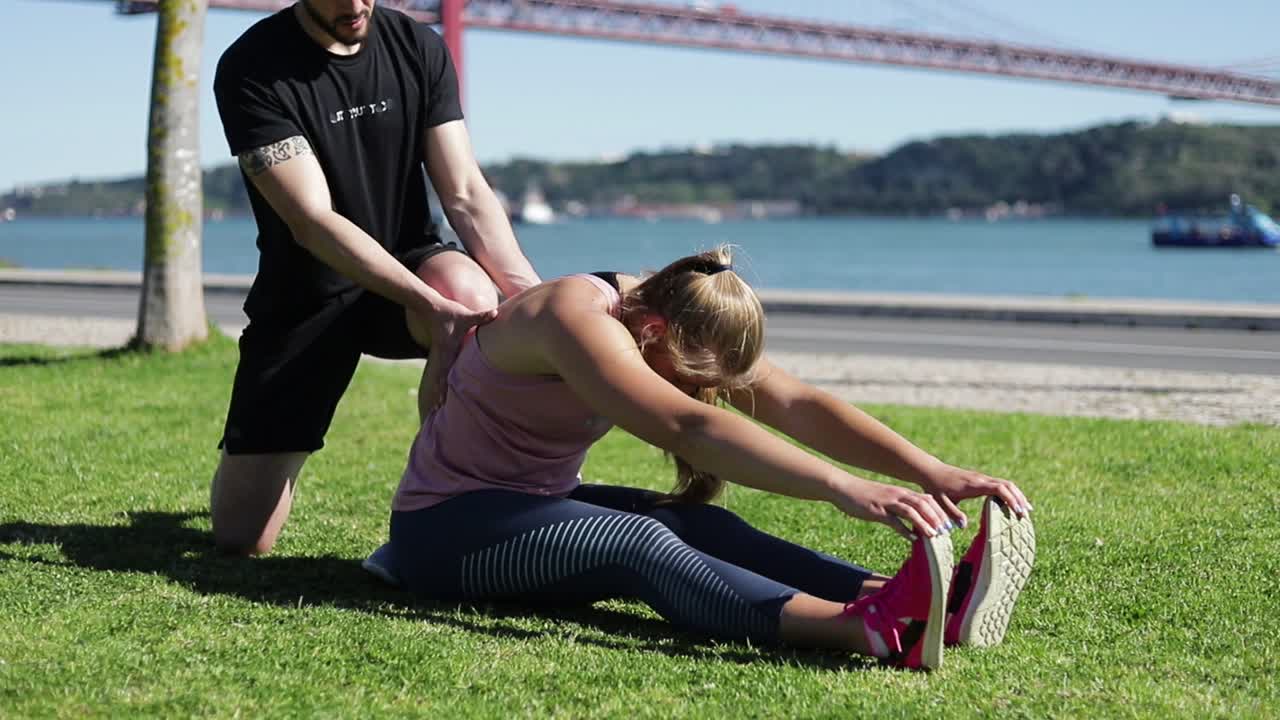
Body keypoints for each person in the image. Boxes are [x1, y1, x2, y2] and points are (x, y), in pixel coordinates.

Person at [374, 247, 1036, 670]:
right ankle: (866, 626)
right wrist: (841, 487)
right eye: (690, 374)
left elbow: (797, 403)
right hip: (444, 536)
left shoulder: (670, 312)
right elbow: (685, 425)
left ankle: (923, 603)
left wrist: (931, 471)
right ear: (654, 332)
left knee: (700, 523)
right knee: (635, 541)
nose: (698, 387)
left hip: (529, 509)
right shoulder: (570, 318)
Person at [209, 0, 541, 555]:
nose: (358, 6)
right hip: (307, 291)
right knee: (243, 540)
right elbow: (312, 222)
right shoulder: (252, 65)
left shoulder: (416, 45)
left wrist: (532, 299)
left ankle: (448, 504)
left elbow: (464, 190)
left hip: (413, 263)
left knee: (469, 294)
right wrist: (429, 305)